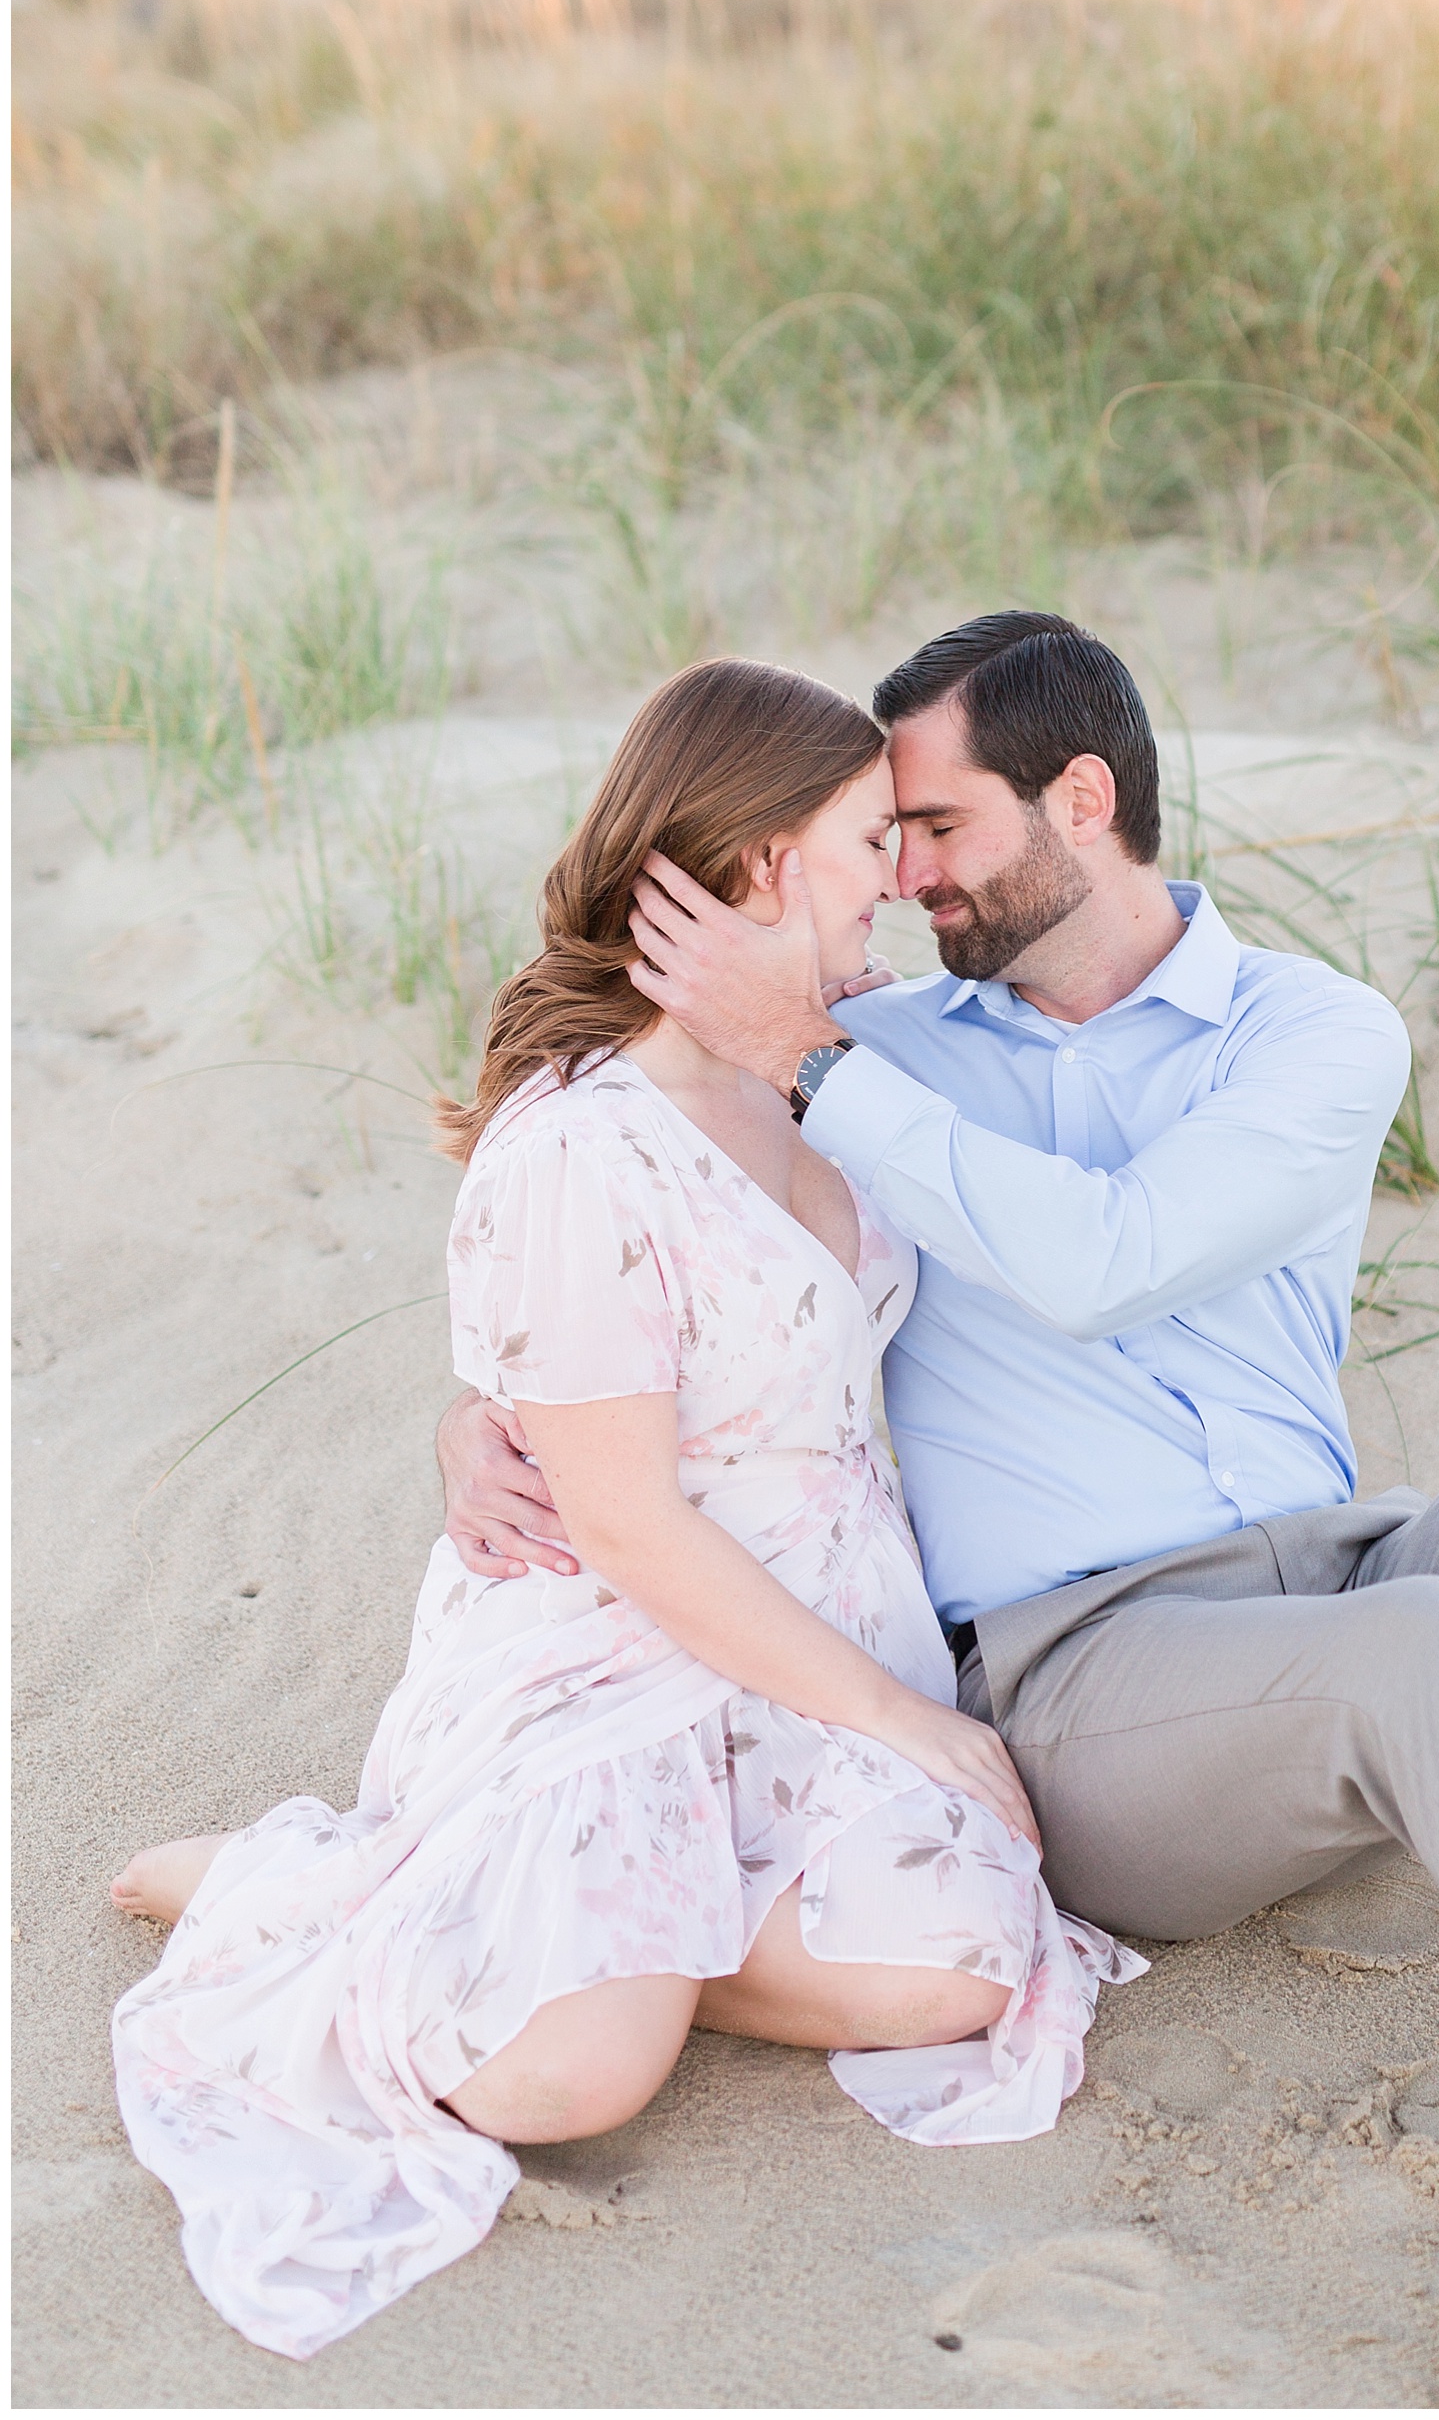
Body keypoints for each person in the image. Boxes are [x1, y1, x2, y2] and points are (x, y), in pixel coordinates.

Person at [441, 610, 1439, 2186]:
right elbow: (604, 1228)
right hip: (1087, 1681)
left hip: (1345, 1574)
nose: (909, 878)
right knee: (1418, 1652)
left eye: (938, 826)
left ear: (1078, 803)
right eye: (888, 836)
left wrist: (820, 1070)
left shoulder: (1308, 1032)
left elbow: (1111, 1260)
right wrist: (464, 1414)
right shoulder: (848, 1044)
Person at [109, 658, 1144, 2362]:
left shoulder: (836, 1064)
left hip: (816, 1637)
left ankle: (563, 1922)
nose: (902, 873)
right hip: (629, 1648)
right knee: (570, 2083)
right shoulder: (585, 1144)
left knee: (965, 1966)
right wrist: (905, 1720)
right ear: (753, 871)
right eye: (868, 840)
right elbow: (633, 1528)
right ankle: (329, 1890)